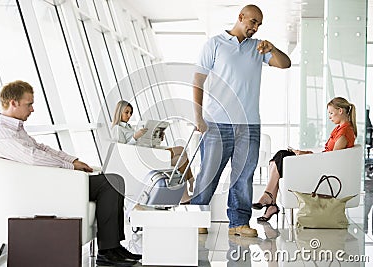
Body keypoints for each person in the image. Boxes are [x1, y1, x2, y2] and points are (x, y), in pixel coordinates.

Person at [0, 80, 140, 267]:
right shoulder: (3, 134)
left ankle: (113, 247)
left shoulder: (16, 130)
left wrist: (72, 161)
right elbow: (34, 158)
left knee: (115, 180)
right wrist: (70, 167)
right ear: (13, 103)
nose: (33, 109)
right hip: (48, 188)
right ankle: (107, 251)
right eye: (29, 104)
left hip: (54, 182)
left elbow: (43, 149)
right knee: (109, 182)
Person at [191, 4, 291, 236]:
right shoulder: (214, 44)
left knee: (244, 175)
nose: (255, 28)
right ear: (240, 17)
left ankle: (238, 223)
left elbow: (285, 64)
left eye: (259, 24)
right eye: (252, 22)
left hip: (249, 125)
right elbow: (198, 81)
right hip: (216, 123)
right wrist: (197, 116)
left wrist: (273, 48)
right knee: (208, 173)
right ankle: (196, 218)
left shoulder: (259, 48)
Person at [253, 97, 357, 222]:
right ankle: (270, 203)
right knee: (279, 157)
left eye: (330, 113)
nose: (329, 116)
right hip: (319, 163)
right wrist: (305, 153)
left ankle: (269, 199)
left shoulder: (345, 132)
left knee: (281, 156)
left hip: (321, 170)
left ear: (340, 111)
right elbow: (327, 154)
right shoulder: (340, 129)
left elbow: (331, 161)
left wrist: (307, 156)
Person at [111, 100, 195, 204]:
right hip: (141, 157)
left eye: (130, 113)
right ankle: (191, 180)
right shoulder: (117, 129)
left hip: (147, 151)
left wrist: (157, 138)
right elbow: (122, 151)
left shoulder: (130, 128)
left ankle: (184, 196)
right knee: (181, 149)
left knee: (181, 159)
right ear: (119, 112)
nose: (129, 115)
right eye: (126, 112)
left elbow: (145, 142)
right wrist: (134, 137)